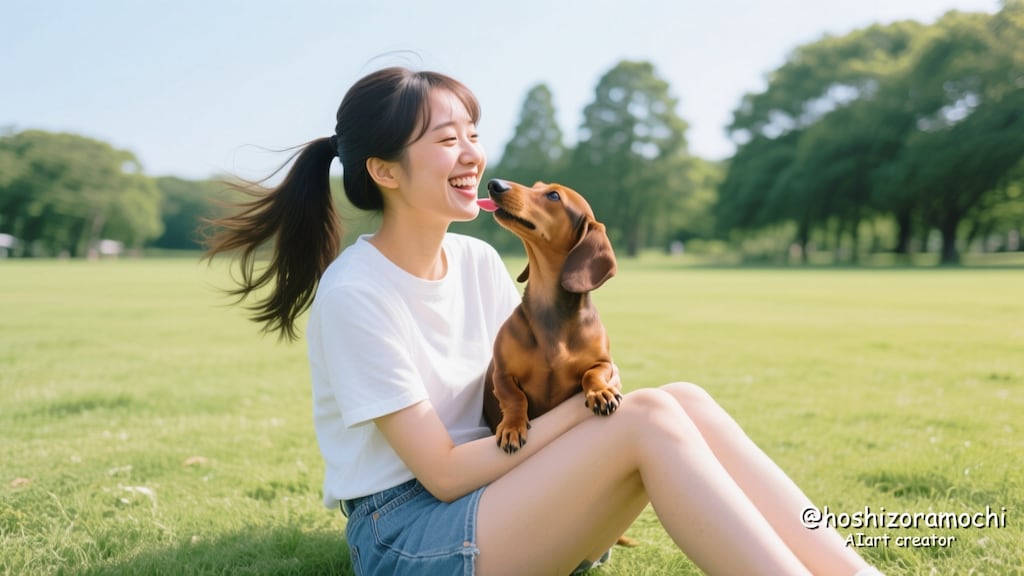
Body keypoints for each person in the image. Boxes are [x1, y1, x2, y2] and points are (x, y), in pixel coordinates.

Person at [203, 66, 883, 576]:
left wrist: (593, 395)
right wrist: (594, 416)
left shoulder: (475, 262)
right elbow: (438, 475)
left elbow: (541, 385)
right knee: (643, 416)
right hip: (406, 535)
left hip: (502, 493)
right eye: (447, 139)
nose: (473, 154)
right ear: (383, 168)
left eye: (473, 134)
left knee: (682, 401)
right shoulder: (357, 293)